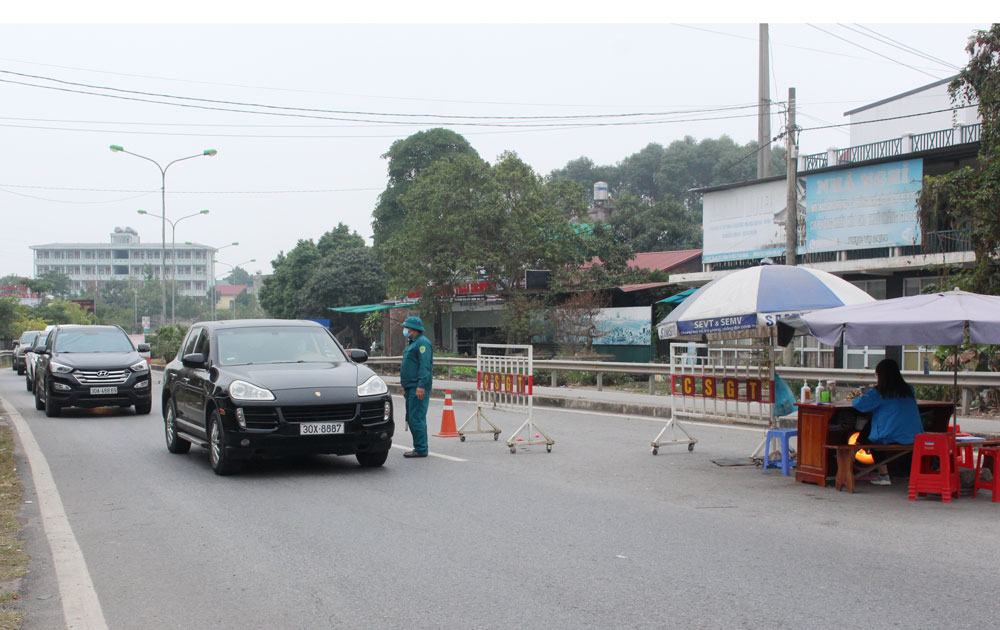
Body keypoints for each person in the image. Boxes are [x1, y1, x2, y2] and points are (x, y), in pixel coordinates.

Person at [851, 358, 924, 486]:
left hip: (891, 436)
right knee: (874, 424)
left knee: (872, 434)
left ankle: (883, 475)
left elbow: (858, 404)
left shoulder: (879, 393)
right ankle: (904, 471)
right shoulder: (909, 390)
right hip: (914, 436)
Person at [399, 316, 433, 458]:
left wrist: (421, 385)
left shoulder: (422, 343)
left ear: (412, 329)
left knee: (416, 417)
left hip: (417, 386)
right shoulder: (413, 343)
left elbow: (425, 366)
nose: (404, 330)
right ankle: (419, 446)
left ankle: (421, 448)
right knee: (412, 417)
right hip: (410, 386)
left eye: (406, 328)